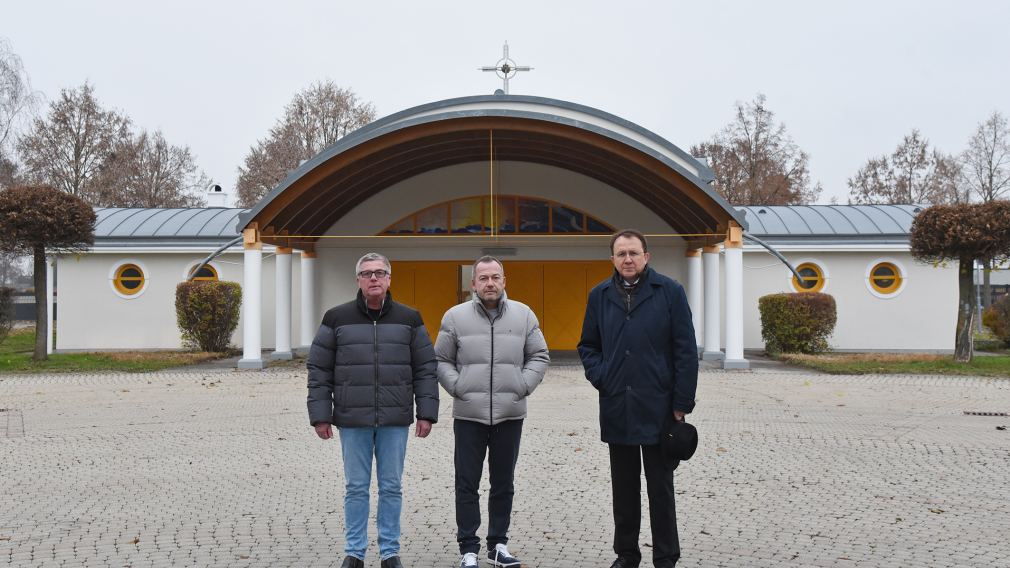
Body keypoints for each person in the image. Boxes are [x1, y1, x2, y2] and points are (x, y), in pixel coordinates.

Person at [307, 252, 439, 568]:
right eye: (367, 274)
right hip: (353, 420)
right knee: (356, 488)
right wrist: (321, 414)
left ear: (389, 279)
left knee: (391, 487)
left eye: (380, 273)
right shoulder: (335, 318)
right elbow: (319, 369)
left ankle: (390, 552)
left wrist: (426, 412)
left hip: (395, 419)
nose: (374, 278)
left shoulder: (410, 319)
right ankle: (354, 552)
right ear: (358, 281)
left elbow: (425, 368)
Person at [577, 229, 699, 568]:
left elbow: (686, 351)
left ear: (647, 256)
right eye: (621, 254)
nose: (627, 259)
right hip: (618, 405)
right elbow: (587, 345)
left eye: (633, 253)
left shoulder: (669, 292)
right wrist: (602, 377)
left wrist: (681, 403)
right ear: (612, 259)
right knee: (624, 489)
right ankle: (626, 555)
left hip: (660, 407)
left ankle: (666, 557)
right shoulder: (599, 295)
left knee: (661, 488)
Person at [434, 256, 550, 568]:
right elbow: (441, 360)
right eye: (483, 278)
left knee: (503, 482)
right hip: (468, 414)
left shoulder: (523, 315)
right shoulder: (455, 317)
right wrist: (458, 387)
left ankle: (498, 544)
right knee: (466, 482)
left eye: (495, 277)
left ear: (504, 280)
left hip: (509, 414)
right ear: (472, 283)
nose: (489, 283)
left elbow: (539, 354)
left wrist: (522, 385)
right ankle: (468, 547)